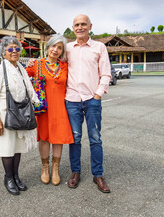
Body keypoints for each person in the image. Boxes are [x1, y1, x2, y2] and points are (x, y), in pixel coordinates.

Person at [0, 36, 40, 195]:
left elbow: (29, 90)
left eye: (17, 48)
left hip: (20, 113)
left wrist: (38, 104)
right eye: (10, 49)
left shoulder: (20, 69)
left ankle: (16, 176)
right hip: (3, 115)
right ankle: (8, 178)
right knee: (6, 148)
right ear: (4, 53)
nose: (14, 51)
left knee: (17, 148)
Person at [65, 14, 111, 193]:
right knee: (75, 138)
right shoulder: (67, 48)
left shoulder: (99, 47)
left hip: (92, 99)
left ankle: (98, 174)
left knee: (95, 138)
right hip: (72, 100)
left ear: (90, 26)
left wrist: (98, 95)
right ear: (73, 27)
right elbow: (53, 62)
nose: (80, 27)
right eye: (77, 24)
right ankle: (75, 172)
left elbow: (106, 73)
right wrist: (32, 63)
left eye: (83, 24)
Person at [25, 34, 74, 186]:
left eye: (59, 48)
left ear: (62, 51)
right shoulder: (37, 64)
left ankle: (55, 169)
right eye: (53, 46)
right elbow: (21, 77)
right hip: (44, 109)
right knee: (45, 138)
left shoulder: (65, 66)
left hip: (61, 108)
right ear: (47, 47)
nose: (55, 50)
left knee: (58, 138)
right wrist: (27, 63)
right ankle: (45, 168)